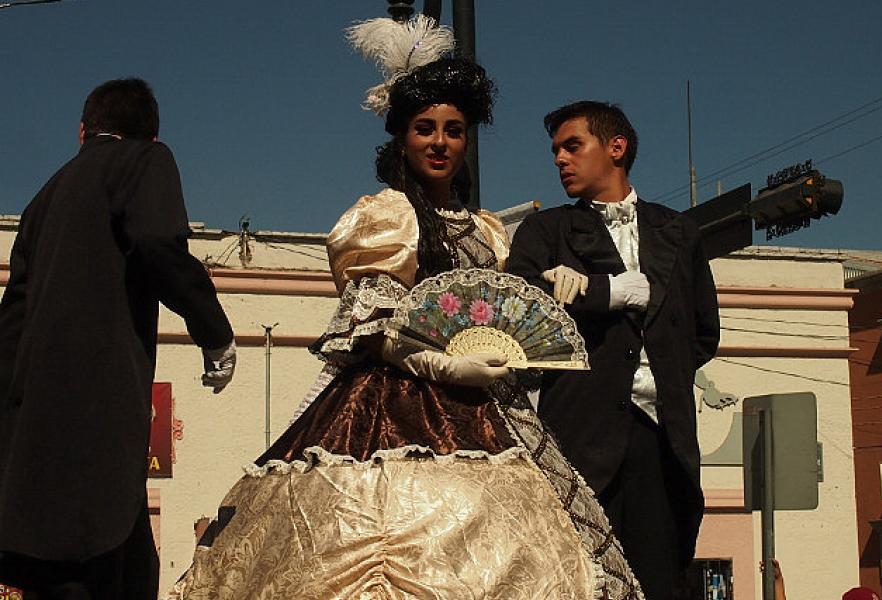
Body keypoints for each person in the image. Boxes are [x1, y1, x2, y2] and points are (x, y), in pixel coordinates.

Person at [168, 17, 642, 600]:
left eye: (454, 130)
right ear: (402, 139)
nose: (440, 142)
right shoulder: (385, 216)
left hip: (493, 407)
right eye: (425, 129)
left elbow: (504, 318)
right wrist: (447, 366)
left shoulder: (489, 230)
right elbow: (373, 323)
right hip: (389, 399)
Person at [0, 78, 236, 599]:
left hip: (34, 449)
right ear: (148, 136)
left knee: (112, 568)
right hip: (98, 437)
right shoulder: (144, 161)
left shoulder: (43, 198)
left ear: (82, 131)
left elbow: (11, 320)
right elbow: (156, 241)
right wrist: (214, 332)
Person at [506, 100, 720, 599]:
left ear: (616, 147)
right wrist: (604, 292)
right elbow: (518, 307)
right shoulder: (547, 230)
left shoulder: (678, 231)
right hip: (580, 438)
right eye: (556, 149)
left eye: (572, 146)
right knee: (576, 582)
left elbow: (702, 333)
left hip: (662, 442)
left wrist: (659, 378)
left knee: (658, 581)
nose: (560, 159)